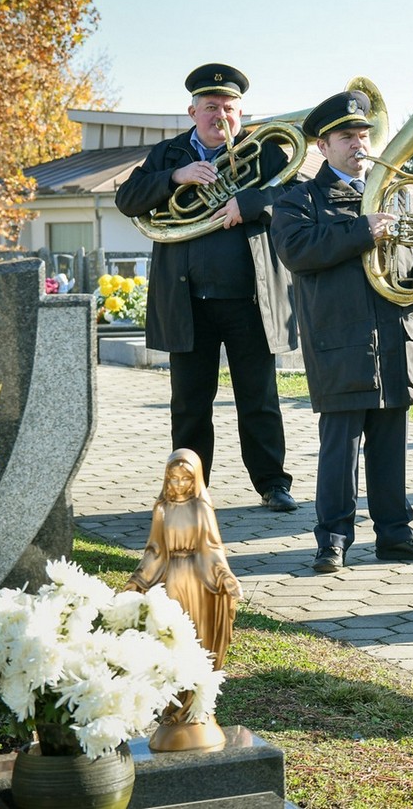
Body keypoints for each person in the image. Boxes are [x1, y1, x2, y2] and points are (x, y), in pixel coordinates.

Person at [271, 89, 413, 574]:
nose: (358, 143)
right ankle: (333, 539)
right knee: (340, 448)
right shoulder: (299, 198)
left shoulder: (399, 194)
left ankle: (395, 534)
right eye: (346, 136)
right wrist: (361, 231)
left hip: (393, 335)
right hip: (339, 340)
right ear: (322, 147)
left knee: (391, 446)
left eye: (363, 134)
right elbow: (298, 251)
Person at [114, 63, 298, 512]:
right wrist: (175, 178)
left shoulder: (268, 153)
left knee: (259, 399)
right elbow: (126, 199)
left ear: (241, 112)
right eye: (211, 107)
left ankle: (273, 484)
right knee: (190, 405)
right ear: (192, 111)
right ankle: (190, 491)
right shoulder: (169, 154)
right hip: (188, 302)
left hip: (250, 300)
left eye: (229, 108)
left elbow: (297, 200)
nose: (221, 115)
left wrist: (249, 202)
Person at [126, 447, 242, 667]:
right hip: (169, 577)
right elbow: (155, 551)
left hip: (197, 577)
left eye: (185, 479)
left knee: (196, 629)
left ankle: (195, 677)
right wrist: (139, 580)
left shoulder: (201, 508)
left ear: (195, 479)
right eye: (173, 479)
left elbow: (211, 547)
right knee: (169, 630)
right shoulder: (162, 508)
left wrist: (223, 574)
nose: (178, 485)